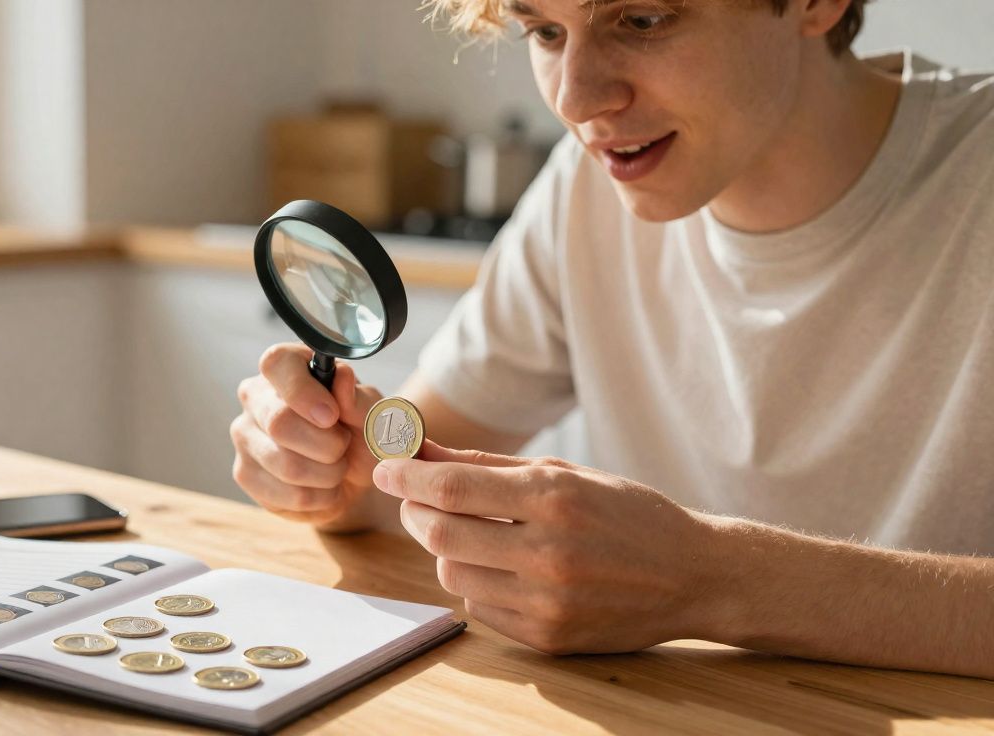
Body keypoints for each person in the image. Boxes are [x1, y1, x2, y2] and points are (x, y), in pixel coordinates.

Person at [230, 0, 994, 678]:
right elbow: (394, 474)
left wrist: (714, 579)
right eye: (545, 30)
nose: (576, 99)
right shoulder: (585, 185)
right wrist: (320, 464)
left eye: (642, 20)